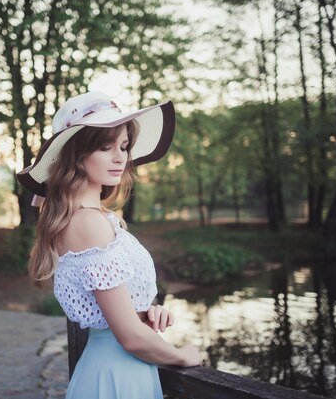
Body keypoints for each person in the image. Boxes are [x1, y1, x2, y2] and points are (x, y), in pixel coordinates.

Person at [17, 91, 202, 399]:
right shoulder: (87, 223)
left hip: (130, 370)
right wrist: (184, 356)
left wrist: (146, 312)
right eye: (106, 147)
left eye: (124, 146)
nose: (120, 157)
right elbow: (128, 337)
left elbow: (120, 313)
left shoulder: (98, 217)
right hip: (116, 375)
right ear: (77, 156)